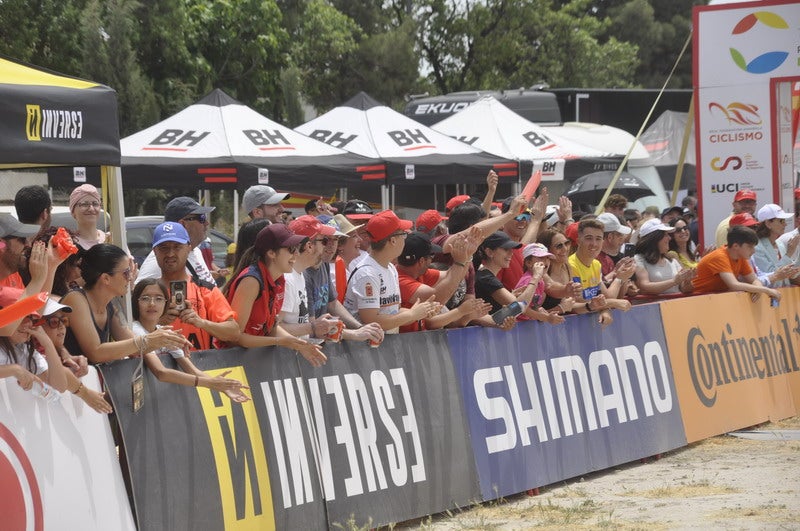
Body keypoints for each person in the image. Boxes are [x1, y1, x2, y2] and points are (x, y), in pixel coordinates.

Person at [62, 243, 190, 363]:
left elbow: (134, 347)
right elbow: (96, 352)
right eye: (126, 273)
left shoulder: (109, 305)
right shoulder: (76, 299)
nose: (130, 278)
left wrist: (168, 340)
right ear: (106, 278)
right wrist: (149, 340)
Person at [225, 224, 327, 366]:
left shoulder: (279, 279)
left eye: (296, 248)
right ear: (271, 253)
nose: (296, 254)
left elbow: (272, 328)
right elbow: (234, 337)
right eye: (291, 249)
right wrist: (281, 341)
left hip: (253, 359)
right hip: (232, 362)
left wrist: (299, 344)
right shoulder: (251, 281)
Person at [131, 279, 249, 402]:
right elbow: (161, 373)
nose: (152, 304)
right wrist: (210, 383)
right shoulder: (135, 330)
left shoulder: (167, 333)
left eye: (159, 299)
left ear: (166, 304)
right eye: (145, 298)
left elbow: (193, 371)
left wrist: (223, 387)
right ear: (135, 303)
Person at [344, 210, 440, 333]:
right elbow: (372, 320)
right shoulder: (367, 273)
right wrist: (412, 315)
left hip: (384, 345)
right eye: (403, 234)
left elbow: (393, 312)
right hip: (364, 349)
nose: (405, 239)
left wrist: (420, 311)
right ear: (393, 240)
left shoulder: (390, 267)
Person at [150, 222, 240, 351]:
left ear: (188, 248)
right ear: (155, 251)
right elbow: (131, 335)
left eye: (177, 247)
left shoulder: (205, 289)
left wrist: (201, 323)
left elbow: (234, 332)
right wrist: (157, 322)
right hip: (158, 369)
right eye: (164, 248)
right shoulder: (146, 292)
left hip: (200, 367)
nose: (170, 254)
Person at [305, 215, 384, 343]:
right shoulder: (305, 273)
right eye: (325, 240)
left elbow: (332, 303)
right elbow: (312, 327)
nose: (331, 245)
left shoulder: (323, 263)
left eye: (335, 239)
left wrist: (359, 327)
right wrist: (354, 333)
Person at [396, 231, 489, 332]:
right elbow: (436, 299)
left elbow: (452, 276)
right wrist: (459, 262)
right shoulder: (400, 279)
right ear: (421, 261)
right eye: (431, 256)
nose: (432, 260)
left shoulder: (418, 272)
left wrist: (467, 255)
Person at [35, 297, 113, 414]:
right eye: (54, 322)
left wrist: (64, 353)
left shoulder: (55, 350)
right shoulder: (33, 350)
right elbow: (61, 373)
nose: (61, 326)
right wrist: (86, 394)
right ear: (37, 326)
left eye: (64, 321)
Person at [279, 215, 339, 340]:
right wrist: (313, 327)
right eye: (324, 241)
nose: (326, 246)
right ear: (309, 246)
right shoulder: (287, 279)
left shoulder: (298, 275)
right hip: (284, 357)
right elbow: (273, 328)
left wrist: (319, 327)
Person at [136, 197, 216, 286]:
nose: (207, 223)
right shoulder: (161, 262)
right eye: (202, 218)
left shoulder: (196, 250)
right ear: (183, 224)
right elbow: (140, 293)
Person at [0, 288, 67, 394]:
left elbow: (60, 386)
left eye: (31, 318)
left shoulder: (24, 349)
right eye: (21, 316)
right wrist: (14, 369)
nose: (28, 323)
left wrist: (47, 343)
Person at [692, 225, 781, 302]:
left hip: (710, 299)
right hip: (695, 299)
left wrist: (758, 290)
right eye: (750, 247)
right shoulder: (719, 256)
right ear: (735, 246)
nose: (753, 251)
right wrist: (766, 290)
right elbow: (734, 285)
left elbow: (754, 280)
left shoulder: (741, 257)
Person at [568, 219, 633, 325]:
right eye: (589, 238)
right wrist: (610, 304)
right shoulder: (571, 265)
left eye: (598, 239)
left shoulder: (596, 264)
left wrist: (620, 278)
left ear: (602, 242)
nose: (594, 244)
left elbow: (606, 297)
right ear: (578, 241)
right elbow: (576, 305)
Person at [632, 219, 694, 295]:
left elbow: (684, 289)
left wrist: (687, 281)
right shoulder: (638, 259)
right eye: (665, 235)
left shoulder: (672, 260)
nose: (669, 238)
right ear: (654, 239)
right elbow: (644, 286)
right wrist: (674, 281)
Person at [512, 243, 568, 324]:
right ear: (528, 263)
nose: (545, 261)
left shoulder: (541, 281)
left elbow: (533, 306)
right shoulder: (527, 280)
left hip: (529, 324)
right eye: (541, 258)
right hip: (519, 325)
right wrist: (545, 317)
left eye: (547, 258)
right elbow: (521, 308)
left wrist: (539, 310)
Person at [753, 204, 800, 287]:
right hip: (769, 297)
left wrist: (793, 272)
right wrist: (789, 253)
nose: (785, 224)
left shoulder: (779, 244)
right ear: (768, 223)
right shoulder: (757, 248)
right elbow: (772, 280)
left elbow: (790, 275)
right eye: (781, 221)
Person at [69, 184, 107, 250]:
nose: (91, 209)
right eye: (84, 204)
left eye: (95, 204)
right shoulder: (69, 244)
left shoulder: (110, 240)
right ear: (73, 212)